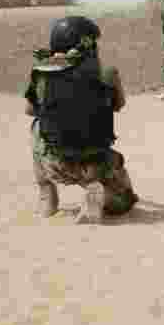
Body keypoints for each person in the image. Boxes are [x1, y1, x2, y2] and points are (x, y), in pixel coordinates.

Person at [24, 15, 138, 224]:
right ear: (87, 43)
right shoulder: (107, 73)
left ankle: (46, 195)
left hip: (57, 165)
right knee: (123, 204)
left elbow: (30, 110)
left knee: (36, 126)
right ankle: (100, 193)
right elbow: (118, 105)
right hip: (98, 163)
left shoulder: (40, 73)